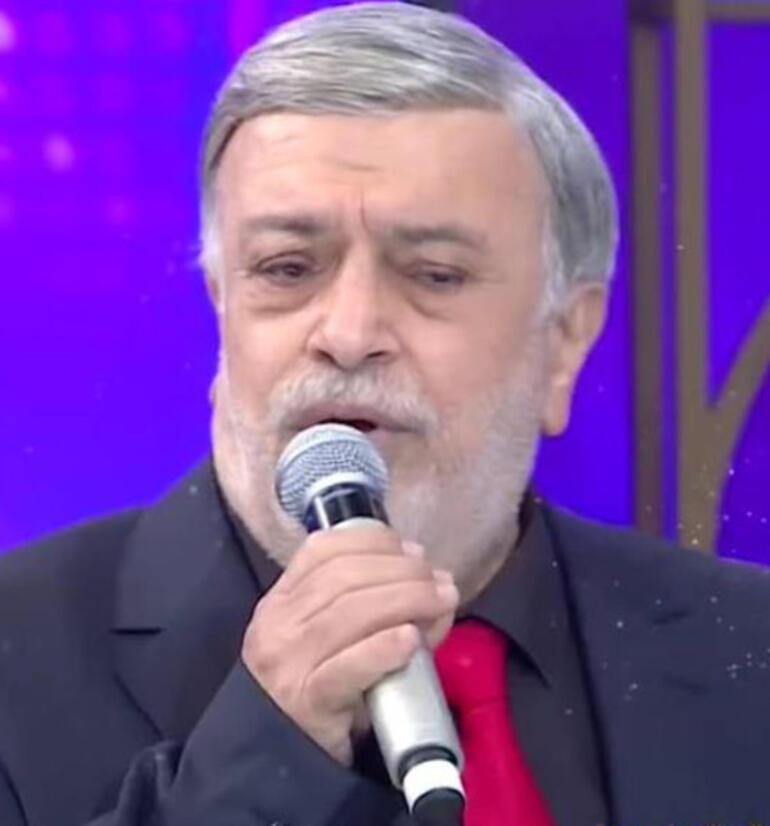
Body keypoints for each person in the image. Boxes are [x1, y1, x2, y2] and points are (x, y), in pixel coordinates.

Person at [1, 3, 769, 825]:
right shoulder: (19, 653)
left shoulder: (747, 645)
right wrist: (260, 759)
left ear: (565, 341)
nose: (349, 333)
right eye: (287, 268)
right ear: (222, 305)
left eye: (435, 274)